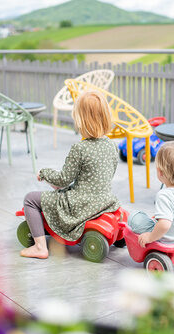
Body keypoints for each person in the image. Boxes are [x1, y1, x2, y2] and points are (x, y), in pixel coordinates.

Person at [21, 90, 120, 259]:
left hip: (79, 204)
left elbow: (63, 180)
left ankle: (39, 247)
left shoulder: (79, 148)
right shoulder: (112, 145)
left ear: (81, 121)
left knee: (30, 199)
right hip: (104, 200)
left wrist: (44, 173)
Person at [128, 141, 174, 248]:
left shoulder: (165, 195)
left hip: (169, 238)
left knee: (134, 217)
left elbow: (164, 225)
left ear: (160, 172)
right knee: (161, 218)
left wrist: (150, 237)